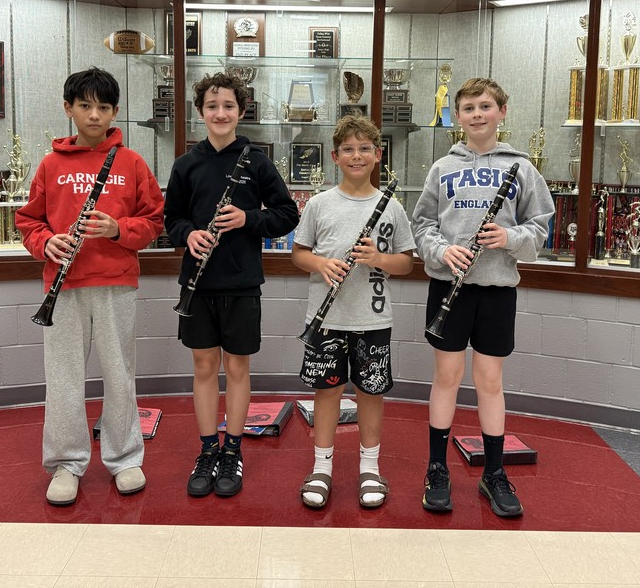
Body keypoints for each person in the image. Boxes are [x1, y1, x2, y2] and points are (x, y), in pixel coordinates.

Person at [16, 66, 165, 506]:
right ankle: (66, 463)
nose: (94, 115)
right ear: (69, 109)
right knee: (62, 377)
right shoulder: (50, 164)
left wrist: (117, 229)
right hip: (63, 287)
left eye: (103, 107)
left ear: (115, 111)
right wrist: (48, 243)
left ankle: (124, 457)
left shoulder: (131, 162)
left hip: (116, 283)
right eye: (85, 106)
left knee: (120, 373)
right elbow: (28, 222)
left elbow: (153, 221)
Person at [412, 77, 553, 517]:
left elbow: (541, 229)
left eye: (485, 106)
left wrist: (508, 237)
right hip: (448, 286)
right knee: (447, 378)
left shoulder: (523, 168)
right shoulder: (442, 168)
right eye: (468, 108)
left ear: (502, 112)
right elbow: (422, 226)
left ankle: (494, 474)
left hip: (495, 290)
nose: (476, 114)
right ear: (457, 116)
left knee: (490, 382)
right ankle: (437, 468)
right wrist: (440, 249)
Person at [164, 71, 299, 498]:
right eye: (211, 106)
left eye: (228, 106)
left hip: (241, 282)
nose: (220, 113)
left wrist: (248, 219)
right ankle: (208, 449)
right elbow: (171, 220)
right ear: (200, 111)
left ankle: (233, 450)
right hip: (197, 284)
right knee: (204, 367)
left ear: (241, 111)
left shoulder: (256, 161)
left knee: (237, 368)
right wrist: (188, 234)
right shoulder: (186, 164)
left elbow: (287, 214)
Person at [292, 115, 414, 509]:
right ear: (335, 157)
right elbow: (299, 253)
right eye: (348, 149)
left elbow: (407, 264)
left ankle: (370, 468)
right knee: (326, 392)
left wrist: (378, 257)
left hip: (373, 319)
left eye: (364, 149)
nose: (356, 155)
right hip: (326, 318)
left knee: (370, 394)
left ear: (378, 156)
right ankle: (322, 467)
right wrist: (322, 264)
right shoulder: (319, 204)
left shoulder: (391, 207)